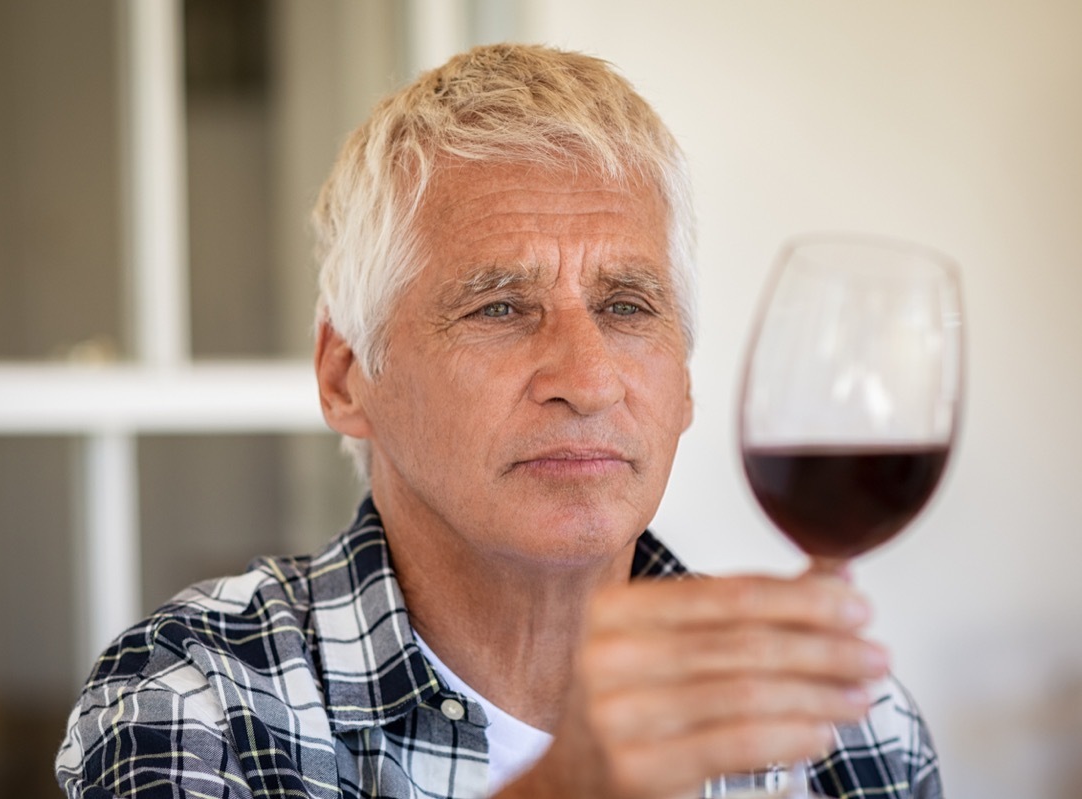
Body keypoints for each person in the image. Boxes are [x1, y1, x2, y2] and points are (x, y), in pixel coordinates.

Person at [56, 44, 942, 799]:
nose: (588, 379)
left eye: (628, 306)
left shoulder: (853, 731)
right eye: (500, 308)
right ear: (346, 376)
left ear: (684, 385)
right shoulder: (196, 693)